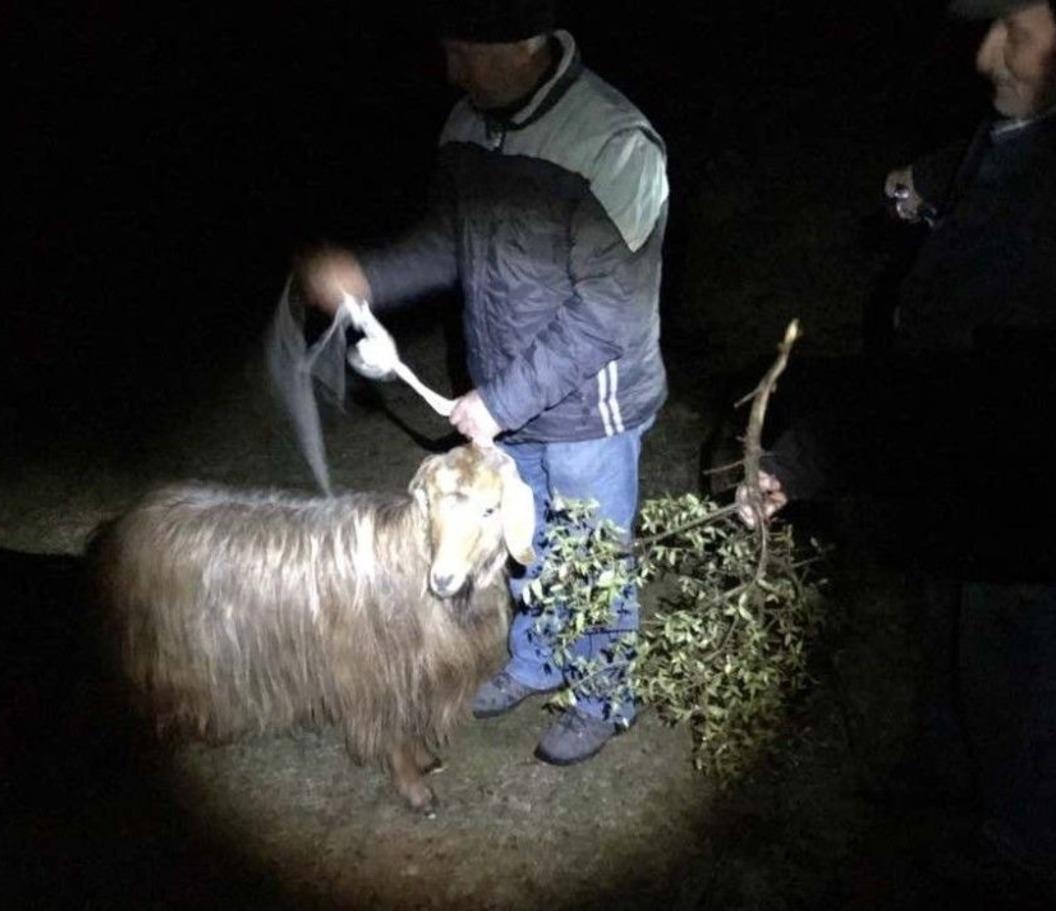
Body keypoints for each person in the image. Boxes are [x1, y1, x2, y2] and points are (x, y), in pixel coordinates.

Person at [298, 0, 669, 765]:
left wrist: (498, 401)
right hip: (505, 393)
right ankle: (539, 657)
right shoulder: (468, 125)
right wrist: (369, 275)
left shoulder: (615, 143)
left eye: (465, 51)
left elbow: (608, 311)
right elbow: (449, 241)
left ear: (523, 43)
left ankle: (603, 694)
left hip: (590, 406)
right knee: (521, 542)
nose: (451, 70)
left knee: (590, 553)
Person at [740, 0, 1056, 880]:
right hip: (971, 481)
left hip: (1026, 504)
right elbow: (989, 167)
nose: (988, 56)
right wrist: (927, 181)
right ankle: (950, 782)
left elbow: (962, 392)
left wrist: (807, 460)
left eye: (1017, 30)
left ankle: (1017, 848)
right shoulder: (1015, 137)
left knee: (1016, 671)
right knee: (949, 638)